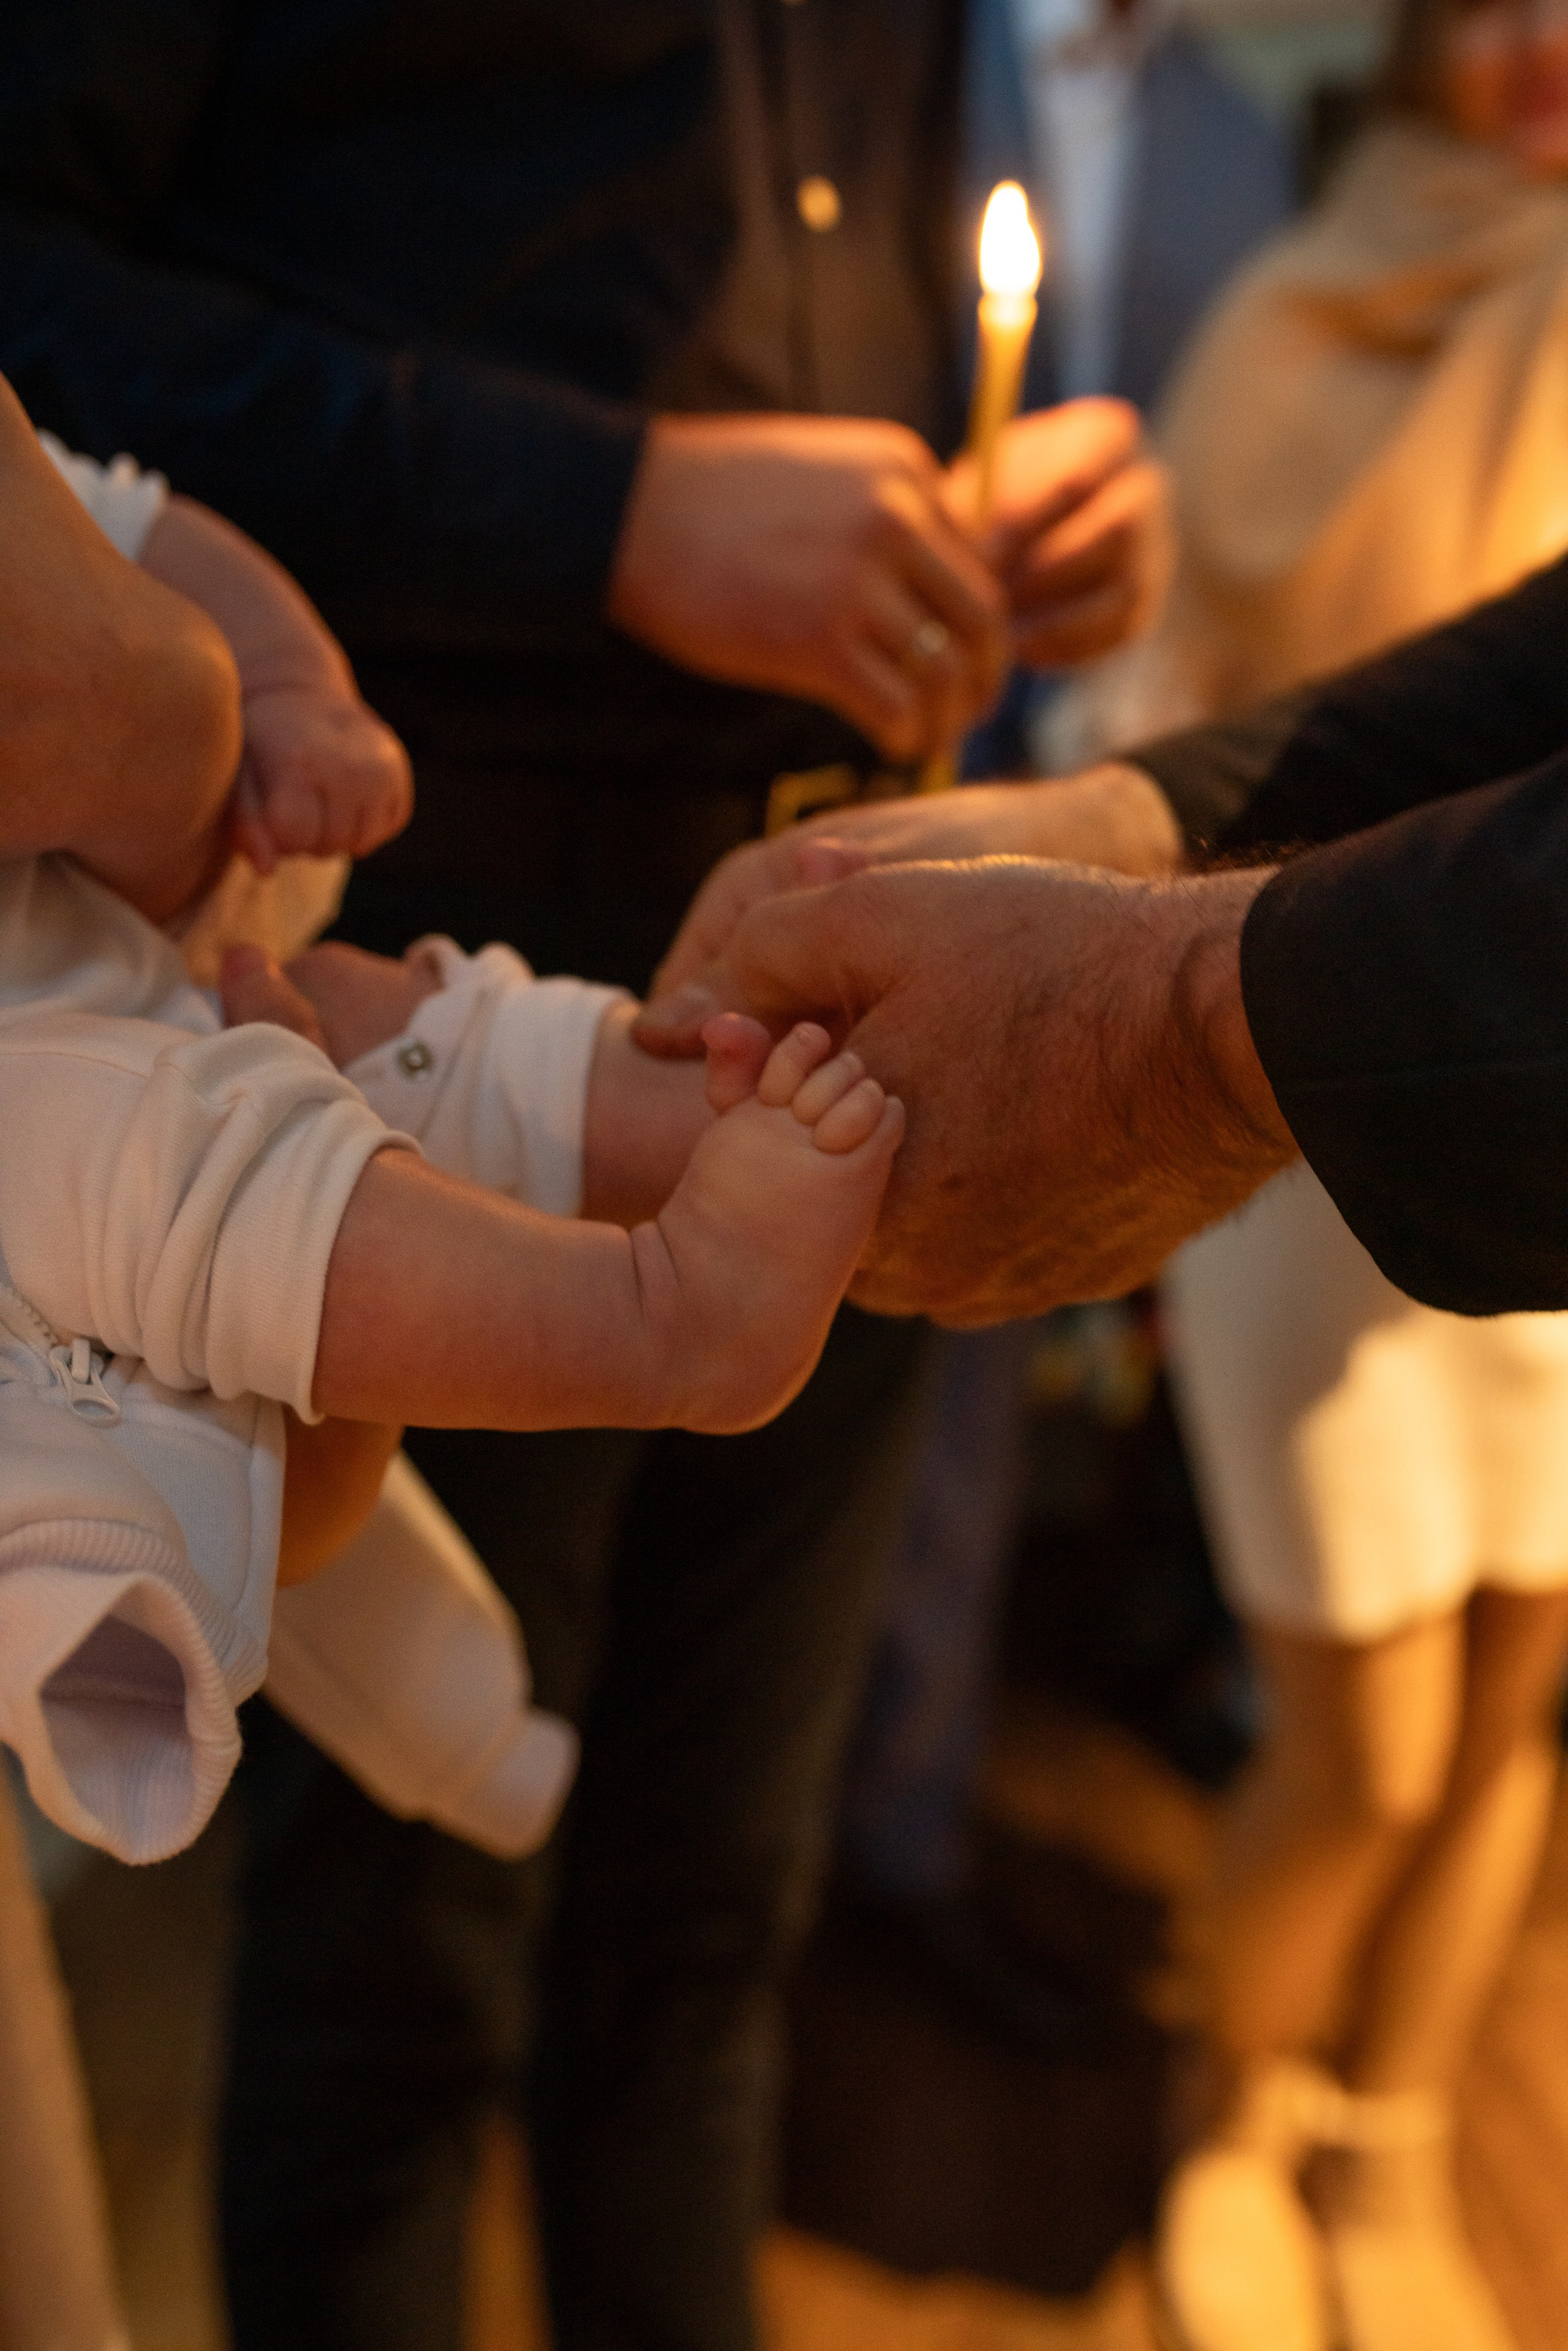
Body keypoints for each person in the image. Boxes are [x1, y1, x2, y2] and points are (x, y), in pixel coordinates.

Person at [0, 17, 1172, 2344]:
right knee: (398, 1980)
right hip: (341, 870)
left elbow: (108, 502)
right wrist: (602, 509)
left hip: (811, 903)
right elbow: (45, 301)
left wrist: (1002, 529)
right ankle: (647, 1315)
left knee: (713, 1912)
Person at [1042, 6, 1568, 2342]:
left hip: (1552, 1064)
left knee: (1517, 1701)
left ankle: (1397, 2142)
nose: (1543, 45)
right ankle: (1233, 2121)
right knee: (1365, 1734)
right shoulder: (1301, 296)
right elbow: (1197, 693)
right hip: (1290, 1067)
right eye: (1493, 1)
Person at [845, 0, 1291, 1919]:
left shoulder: (1236, 138)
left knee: (989, 1347)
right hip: (868, 747)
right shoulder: (893, 60)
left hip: (1116, 793)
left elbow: (1233, 473)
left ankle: (908, 1829)